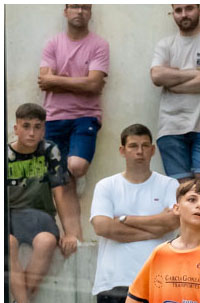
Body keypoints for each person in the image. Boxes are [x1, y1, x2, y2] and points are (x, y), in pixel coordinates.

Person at [90, 124, 180, 303]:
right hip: (115, 286)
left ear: (153, 150)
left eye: (144, 146)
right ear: (122, 150)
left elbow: (172, 222)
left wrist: (125, 219)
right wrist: (153, 228)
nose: (139, 152)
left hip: (161, 286)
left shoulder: (169, 185)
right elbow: (102, 227)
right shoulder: (107, 186)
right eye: (133, 146)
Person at [6, 103, 80, 303]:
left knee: (47, 242)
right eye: (26, 126)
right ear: (16, 128)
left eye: (37, 127)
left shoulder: (49, 151)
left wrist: (69, 232)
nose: (31, 133)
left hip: (41, 216)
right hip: (10, 216)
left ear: (43, 129)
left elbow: (60, 194)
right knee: (8, 244)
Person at [39, 4, 108, 209]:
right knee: (61, 182)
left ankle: (77, 172)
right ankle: (73, 230)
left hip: (85, 116)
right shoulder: (52, 44)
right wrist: (82, 83)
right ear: (65, 11)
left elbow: (94, 85)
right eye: (75, 6)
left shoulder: (99, 45)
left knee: (76, 166)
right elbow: (44, 82)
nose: (80, 12)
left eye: (85, 8)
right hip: (53, 116)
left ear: (90, 13)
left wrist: (57, 80)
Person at [150, 4, 200, 183]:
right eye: (178, 10)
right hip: (171, 127)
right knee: (184, 192)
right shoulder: (165, 45)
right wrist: (195, 73)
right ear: (173, 13)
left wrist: (176, 85)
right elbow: (156, 76)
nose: (184, 14)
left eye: (189, 8)